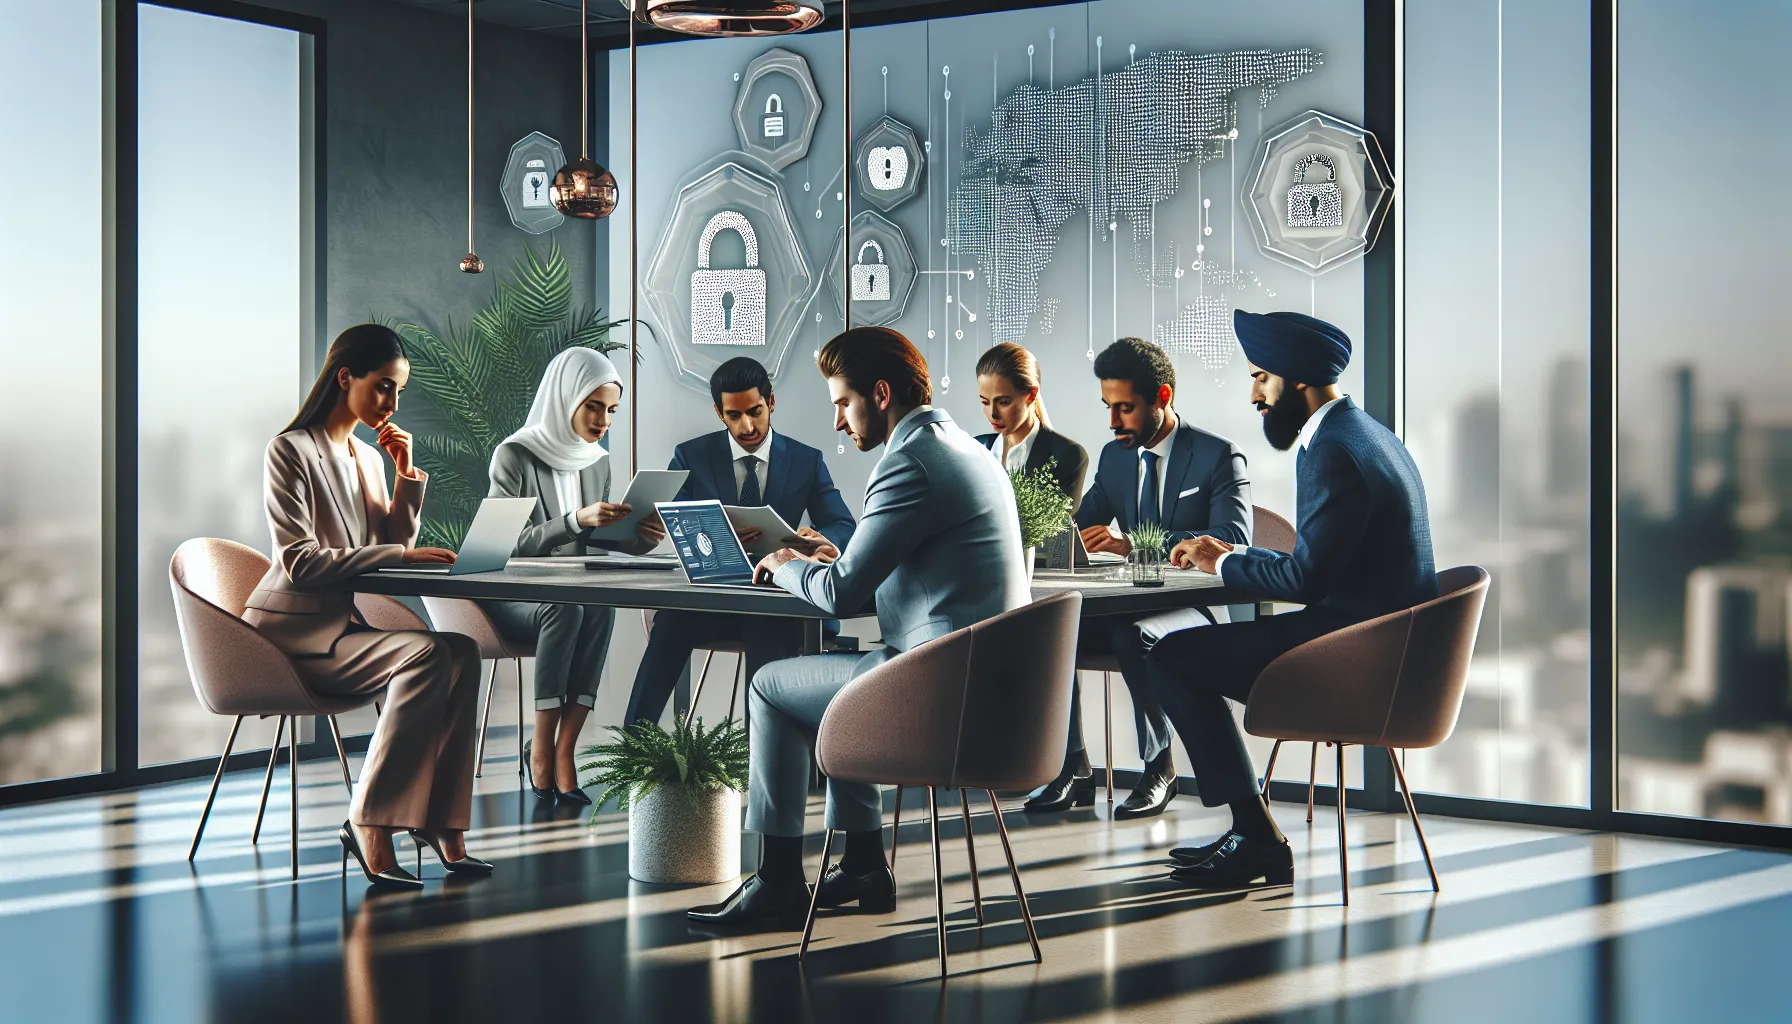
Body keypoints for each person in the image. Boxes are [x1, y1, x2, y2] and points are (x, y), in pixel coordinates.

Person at [686, 327, 1029, 929]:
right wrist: (830, 557)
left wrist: (788, 563)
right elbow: (887, 567)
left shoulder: (910, 463)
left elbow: (843, 594)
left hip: (940, 694)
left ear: (879, 391)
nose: (840, 422)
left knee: (770, 685)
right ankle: (865, 861)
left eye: (843, 403)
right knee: (848, 678)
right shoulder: (961, 447)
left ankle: (778, 881)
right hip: (990, 686)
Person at [1150, 310, 1436, 890]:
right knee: (1183, 652)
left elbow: (1305, 579)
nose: (1254, 394)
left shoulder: (1332, 449)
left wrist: (1222, 559)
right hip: (1383, 646)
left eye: (1261, 378)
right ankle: (1249, 829)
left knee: (1169, 657)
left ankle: (1254, 836)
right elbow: (1322, 567)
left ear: (1297, 379)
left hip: (1354, 657)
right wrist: (1230, 558)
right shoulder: (1369, 434)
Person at [244, 323, 489, 888]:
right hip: (285, 639)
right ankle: (369, 821)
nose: (392, 403)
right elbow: (300, 562)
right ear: (344, 376)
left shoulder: (366, 457)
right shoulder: (289, 451)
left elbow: (388, 547)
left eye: (399, 391)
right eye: (384, 386)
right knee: (427, 654)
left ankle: (442, 823)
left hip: (338, 629)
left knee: (461, 651)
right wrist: (398, 552)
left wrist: (406, 478)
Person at [1030, 337, 1252, 819]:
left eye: (1125, 408)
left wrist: (1137, 542)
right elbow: (1078, 523)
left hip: (1195, 608)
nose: (1113, 422)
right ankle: (1073, 768)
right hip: (1125, 603)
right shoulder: (1114, 458)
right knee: (1053, 628)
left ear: (1163, 398)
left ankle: (1159, 767)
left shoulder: (1219, 456)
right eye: (1108, 407)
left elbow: (1232, 537)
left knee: (1134, 637)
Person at [623, 356, 856, 727]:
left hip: (773, 602)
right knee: (670, 625)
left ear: (771, 403)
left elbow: (842, 523)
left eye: (756, 411)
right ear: (719, 412)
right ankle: (631, 753)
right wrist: (713, 534)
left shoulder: (805, 460)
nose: (747, 426)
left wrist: (821, 539)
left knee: (768, 629)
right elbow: (678, 520)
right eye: (734, 415)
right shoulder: (691, 456)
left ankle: (759, 762)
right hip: (713, 600)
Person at [484, 347, 666, 805]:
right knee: (565, 607)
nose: (603, 420)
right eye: (593, 406)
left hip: (569, 592)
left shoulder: (596, 461)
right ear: (565, 398)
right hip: (514, 597)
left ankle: (566, 749)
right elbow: (499, 547)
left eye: (611, 410)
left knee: (599, 606)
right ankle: (542, 748)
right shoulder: (515, 455)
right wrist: (573, 521)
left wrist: (641, 537)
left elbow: (596, 542)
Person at [975, 342, 1090, 510]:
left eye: (1004, 402)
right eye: (985, 402)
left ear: (1031, 395)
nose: (992, 413)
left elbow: (1055, 530)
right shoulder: (976, 448)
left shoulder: (1066, 456)